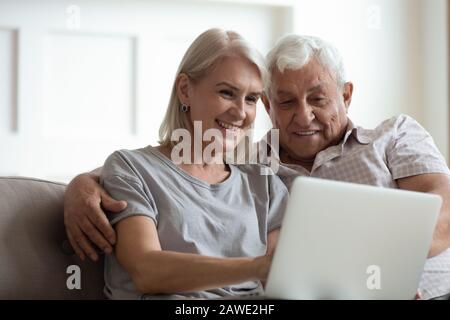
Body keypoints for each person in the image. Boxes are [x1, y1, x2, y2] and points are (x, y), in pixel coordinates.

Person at [64, 33, 450, 300]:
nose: (304, 116)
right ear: (271, 108)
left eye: (318, 98)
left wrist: (376, 286)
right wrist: (80, 184)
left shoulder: (392, 136)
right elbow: (143, 177)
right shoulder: (260, 163)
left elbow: (443, 214)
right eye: (285, 102)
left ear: (346, 95)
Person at [75, 28, 289, 299]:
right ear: (185, 90)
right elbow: (146, 270)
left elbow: (284, 281)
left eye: (251, 99)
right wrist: (257, 267)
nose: (240, 112)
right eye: (226, 92)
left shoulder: (264, 183)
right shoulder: (132, 168)